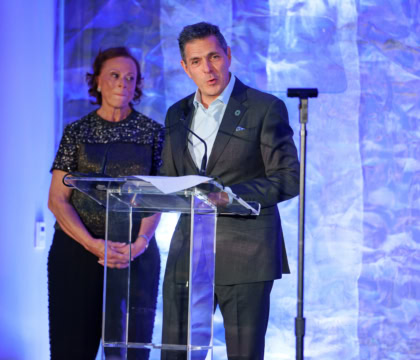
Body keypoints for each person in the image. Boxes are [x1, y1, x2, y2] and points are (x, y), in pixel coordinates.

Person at [160, 22, 300, 360]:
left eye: (214, 57)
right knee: (176, 354)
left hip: (246, 255)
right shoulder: (176, 114)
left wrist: (230, 195)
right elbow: (171, 176)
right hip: (187, 256)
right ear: (185, 67)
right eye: (196, 61)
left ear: (228, 55)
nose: (207, 69)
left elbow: (288, 177)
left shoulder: (263, 108)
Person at [47, 47, 163, 360]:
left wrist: (139, 243)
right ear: (98, 81)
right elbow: (57, 200)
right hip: (76, 255)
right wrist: (92, 244)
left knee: (130, 353)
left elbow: (158, 197)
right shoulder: (77, 132)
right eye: (114, 75)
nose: (122, 83)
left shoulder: (154, 134)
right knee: (71, 350)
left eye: (130, 78)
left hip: (134, 257)